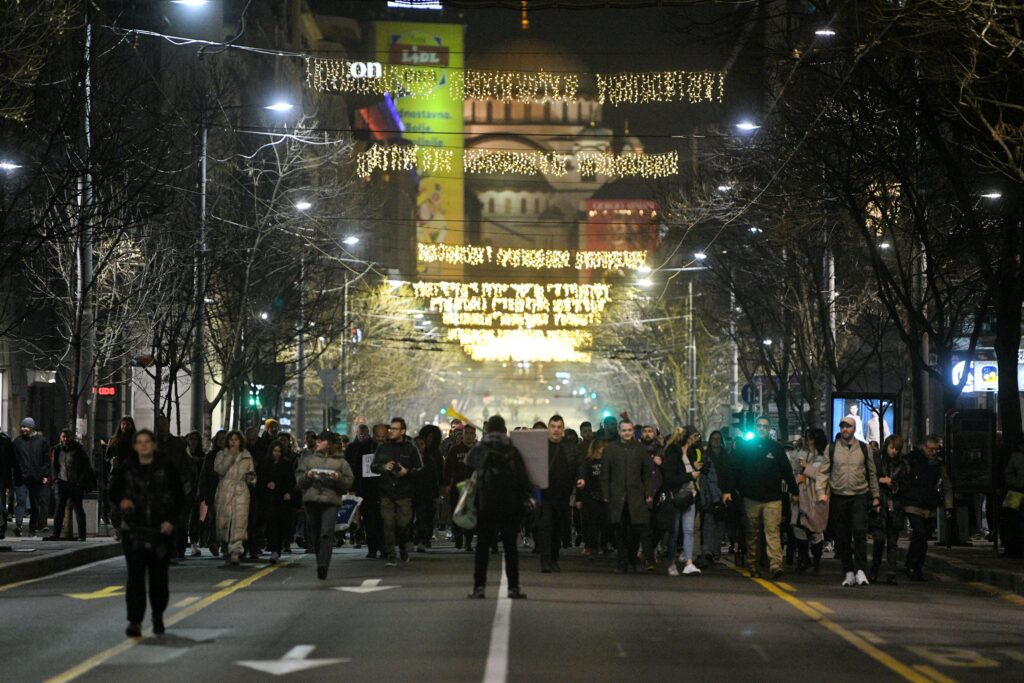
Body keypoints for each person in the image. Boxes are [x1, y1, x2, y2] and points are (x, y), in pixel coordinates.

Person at [108, 429, 184, 638]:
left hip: (161, 530)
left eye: (147, 442)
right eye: (139, 442)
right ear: (134, 446)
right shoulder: (127, 468)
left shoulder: (166, 467)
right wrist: (122, 500)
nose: (143, 446)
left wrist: (170, 521)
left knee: (159, 577)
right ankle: (135, 620)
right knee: (135, 577)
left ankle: (158, 615)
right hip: (134, 530)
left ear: (153, 445)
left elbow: (178, 496)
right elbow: (113, 490)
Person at [467, 415, 532, 600]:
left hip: (486, 502)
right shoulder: (512, 449)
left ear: (487, 430)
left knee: (482, 547)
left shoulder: (481, 448)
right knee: (510, 547)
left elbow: (469, 466)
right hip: (509, 503)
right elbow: (522, 477)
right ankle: (513, 587)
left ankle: (479, 587)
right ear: (504, 430)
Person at [728, 416, 798, 579]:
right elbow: (734, 470)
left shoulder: (776, 448)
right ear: (755, 428)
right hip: (751, 497)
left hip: (773, 498)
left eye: (765, 427)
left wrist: (794, 491)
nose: (761, 429)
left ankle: (775, 565)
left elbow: (786, 471)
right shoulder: (745, 448)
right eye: (759, 426)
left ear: (769, 430)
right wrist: (728, 490)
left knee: (772, 531)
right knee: (752, 533)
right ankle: (753, 564)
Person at [819, 415, 881, 587]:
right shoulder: (831, 448)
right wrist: (821, 492)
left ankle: (861, 570)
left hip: (859, 495)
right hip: (839, 496)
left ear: (854, 429)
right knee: (842, 536)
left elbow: (871, 472)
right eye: (843, 427)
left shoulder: (864, 448)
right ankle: (848, 571)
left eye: (849, 427)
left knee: (860, 532)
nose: (845, 429)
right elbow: (823, 472)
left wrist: (876, 496)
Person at [296, 430, 354, 579]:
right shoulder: (308, 460)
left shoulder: (341, 462)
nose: (317, 443)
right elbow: (299, 481)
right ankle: (319, 559)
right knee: (315, 533)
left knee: (326, 533)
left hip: (331, 501)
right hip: (312, 501)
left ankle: (323, 564)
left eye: (321, 441)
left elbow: (348, 483)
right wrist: (308, 476)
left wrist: (338, 478)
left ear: (327, 443)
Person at [600, 419, 651, 574]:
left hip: (636, 497)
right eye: (623, 430)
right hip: (617, 497)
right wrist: (605, 494)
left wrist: (648, 493)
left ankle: (632, 559)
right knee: (620, 531)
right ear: (619, 431)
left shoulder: (640, 449)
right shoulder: (610, 449)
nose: (626, 433)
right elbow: (604, 473)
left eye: (629, 430)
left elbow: (647, 474)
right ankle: (622, 562)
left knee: (636, 530)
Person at [371, 417, 422, 566]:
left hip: (404, 493)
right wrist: (383, 467)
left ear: (403, 431)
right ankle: (391, 556)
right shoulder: (382, 448)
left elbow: (419, 470)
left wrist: (406, 472)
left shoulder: (411, 449)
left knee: (403, 525)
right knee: (388, 524)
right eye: (390, 429)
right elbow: (373, 466)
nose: (391, 431)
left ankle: (403, 546)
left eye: (394, 429)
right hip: (386, 492)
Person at [902, 435, 953, 581]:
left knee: (923, 538)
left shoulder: (937, 464)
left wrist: (948, 506)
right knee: (920, 533)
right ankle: (912, 564)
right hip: (913, 502)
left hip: (928, 504)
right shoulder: (912, 460)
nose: (933, 452)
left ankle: (916, 566)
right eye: (931, 449)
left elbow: (946, 485)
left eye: (936, 450)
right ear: (924, 447)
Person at [662, 427, 703, 576]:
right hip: (676, 496)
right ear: (688, 438)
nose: (696, 439)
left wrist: (696, 468)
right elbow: (670, 478)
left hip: (689, 495)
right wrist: (690, 475)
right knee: (674, 531)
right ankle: (671, 562)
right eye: (694, 436)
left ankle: (689, 562)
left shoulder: (691, 453)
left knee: (689, 530)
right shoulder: (673, 453)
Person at [154, 415, 194, 562]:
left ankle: (179, 548)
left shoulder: (179, 444)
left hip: (177, 486)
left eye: (164, 424)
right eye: (159, 425)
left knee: (179, 520)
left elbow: (188, 465)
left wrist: (186, 483)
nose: (162, 428)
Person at [791, 428, 829, 575]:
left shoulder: (824, 456)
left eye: (811, 438)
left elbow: (823, 476)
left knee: (815, 530)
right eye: (807, 438)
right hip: (801, 495)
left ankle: (817, 562)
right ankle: (803, 558)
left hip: (816, 497)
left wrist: (808, 468)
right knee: (798, 527)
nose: (808, 441)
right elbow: (794, 472)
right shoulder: (800, 454)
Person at [538, 415, 573, 573]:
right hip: (545, 497)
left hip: (562, 497)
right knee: (546, 529)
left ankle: (554, 559)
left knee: (557, 529)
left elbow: (578, 466)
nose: (556, 430)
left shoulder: (569, 448)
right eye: (553, 426)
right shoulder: (540, 448)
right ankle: (545, 561)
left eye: (559, 427)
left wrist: (580, 479)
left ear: (563, 430)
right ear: (548, 429)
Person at [869, 435, 907, 585]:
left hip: (895, 504)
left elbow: (905, 483)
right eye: (892, 448)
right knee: (879, 539)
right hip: (880, 501)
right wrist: (881, 481)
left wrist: (895, 485)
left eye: (896, 449)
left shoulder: (902, 464)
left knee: (892, 541)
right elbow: (869, 477)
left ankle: (891, 572)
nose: (894, 452)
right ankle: (874, 570)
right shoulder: (877, 459)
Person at [214, 430, 255, 566]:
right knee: (224, 521)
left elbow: (252, 473)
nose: (233, 442)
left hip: (241, 491)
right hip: (225, 490)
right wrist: (229, 457)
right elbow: (219, 470)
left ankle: (236, 551)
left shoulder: (246, 456)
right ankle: (225, 547)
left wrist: (250, 478)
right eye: (231, 439)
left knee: (239, 521)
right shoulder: (221, 454)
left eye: (236, 439)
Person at [47, 429, 94, 542]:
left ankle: (82, 535)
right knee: (59, 509)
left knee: (78, 509)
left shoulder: (78, 449)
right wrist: (55, 479)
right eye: (63, 437)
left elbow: (86, 467)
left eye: (68, 437)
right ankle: (55, 534)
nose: (66, 439)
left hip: (75, 484)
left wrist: (80, 482)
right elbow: (53, 465)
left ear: (71, 437)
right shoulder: (57, 449)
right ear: (60, 438)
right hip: (62, 482)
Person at [259, 442, 297, 564]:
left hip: (281, 499)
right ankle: (272, 547)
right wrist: (267, 484)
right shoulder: (265, 464)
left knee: (279, 524)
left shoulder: (286, 464)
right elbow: (261, 478)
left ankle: (277, 549)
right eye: (275, 451)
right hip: (268, 498)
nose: (276, 454)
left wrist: (287, 492)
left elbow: (290, 480)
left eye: (279, 451)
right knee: (270, 524)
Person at [12, 417, 51, 537]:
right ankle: (18, 526)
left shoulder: (42, 441)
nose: (23, 429)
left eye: (26, 427)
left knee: (35, 504)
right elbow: (14, 460)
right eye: (22, 427)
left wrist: (44, 474)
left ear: (31, 428)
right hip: (21, 477)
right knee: (21, 501)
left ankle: (32, 527)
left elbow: (46, 459)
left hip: (36, 477)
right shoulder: (17, 442)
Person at [445, 423, 478, 552]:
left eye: (471, 434)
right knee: (456, 511)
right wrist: (447, 484)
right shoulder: (454, 450)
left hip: (473, 487)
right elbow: (448, 468)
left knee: (470, 514)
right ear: (462, 435)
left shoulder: (478, 450)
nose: (469, 436)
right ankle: (457, 534)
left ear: (475, 435)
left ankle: (468, 541)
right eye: (467, 433)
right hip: (457, 486)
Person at [702, 430, 731, 564]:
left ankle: (715, 550)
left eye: (718, 439)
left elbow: (730, 475)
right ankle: (708, 549)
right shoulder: (706, 455)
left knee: (720, 525)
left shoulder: (726, 456)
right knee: (709, 523)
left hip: (723, 494)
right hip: (709, 494)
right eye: (713, 438)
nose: (716, 441)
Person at [576, 438, 608, 558]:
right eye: (599, 447)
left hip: (603, 496)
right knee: (590, 524)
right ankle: (591, 546)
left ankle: (602, 545)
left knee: (604, 523)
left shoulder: (607, 462)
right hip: (590, 496)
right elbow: (581, 479)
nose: (601, 450)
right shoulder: (587, 462)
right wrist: (579, 498)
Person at [413, 425, 444, 552]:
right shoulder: (409, 459)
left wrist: (437, 494)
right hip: (412, 493)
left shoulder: (432, 458)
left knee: (426, 518)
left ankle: (423, 539)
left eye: (422, 444)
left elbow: (435, 477)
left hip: (427, 494)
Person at [198, 430, 226, 557]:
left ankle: (224, 544)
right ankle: (213, 542)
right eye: (220, 438)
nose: (223, 441)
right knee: (213, 519)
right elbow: (204, 475)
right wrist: (204, 492)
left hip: (228, 492)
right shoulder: (211, 456)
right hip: (213, 492)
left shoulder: (233, 455)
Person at [0, 428, 18, 540]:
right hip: (3, 476)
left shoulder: (5, 442)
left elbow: (12, 461)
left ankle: (1, 527)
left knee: (1, 502)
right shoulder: (6, 442)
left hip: (1, 476)